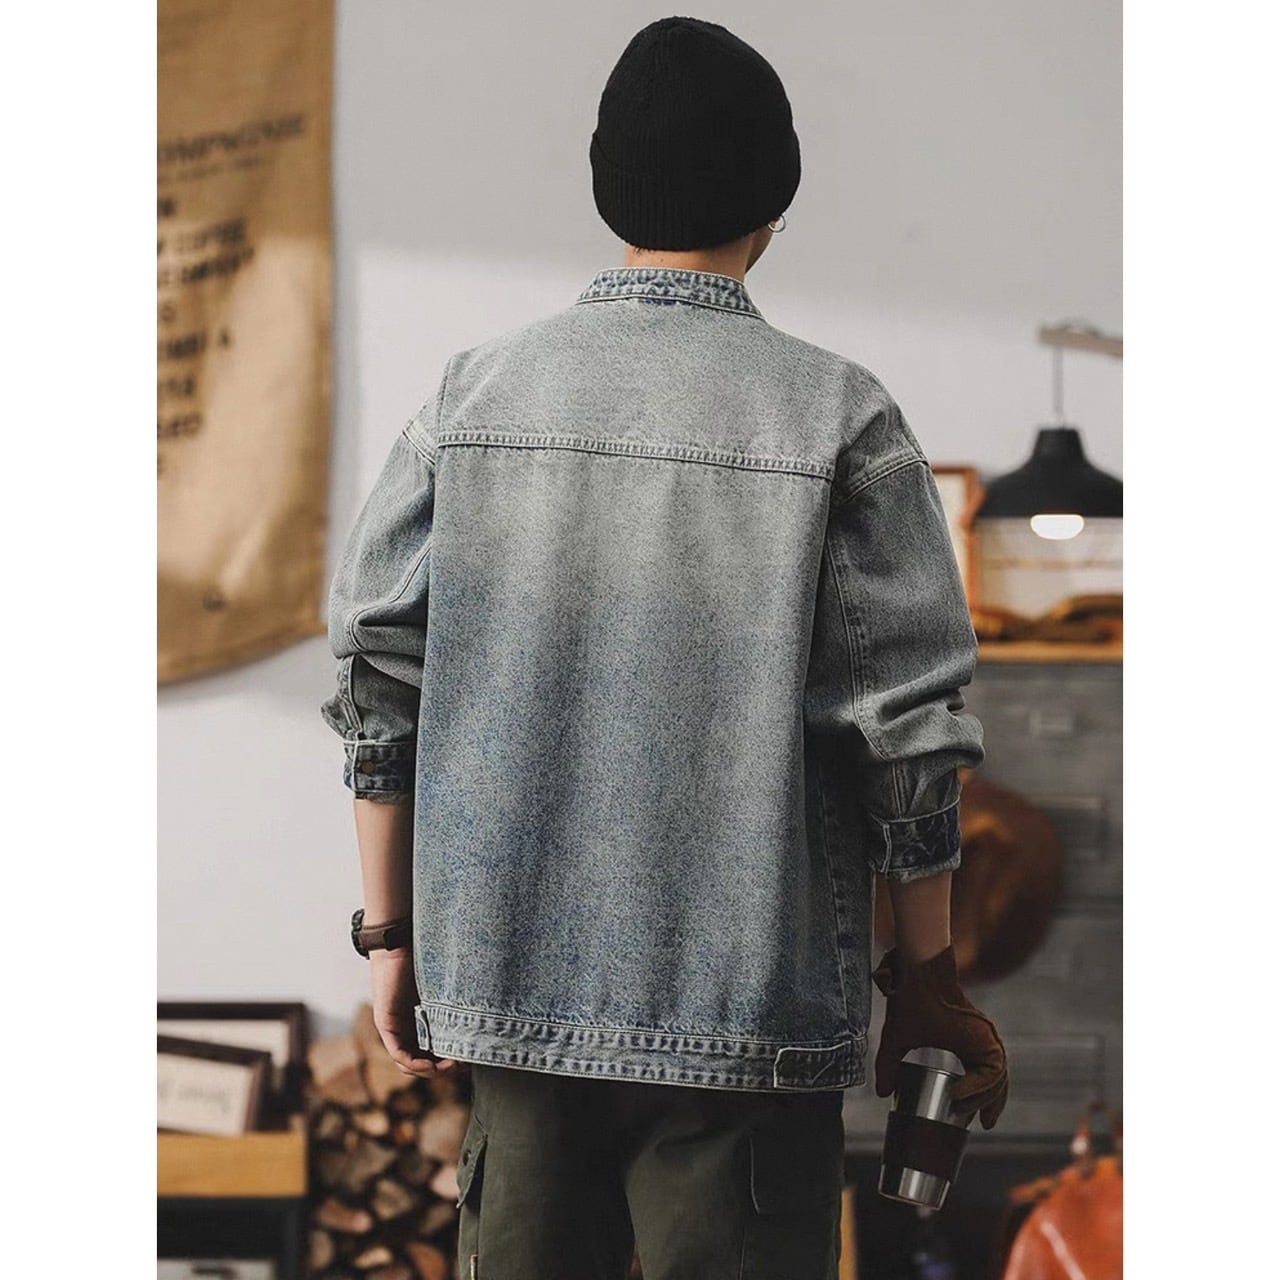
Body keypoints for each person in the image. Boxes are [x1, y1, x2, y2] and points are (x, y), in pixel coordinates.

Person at [321, 15, 1009, 1279]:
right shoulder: (839, 415)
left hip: (514, 991)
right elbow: (908, 728)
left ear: (607, 189)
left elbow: (377, 677)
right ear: (775, 198)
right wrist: (925, 974)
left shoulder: (472, 398)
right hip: (749, 1014)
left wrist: (391, 931)